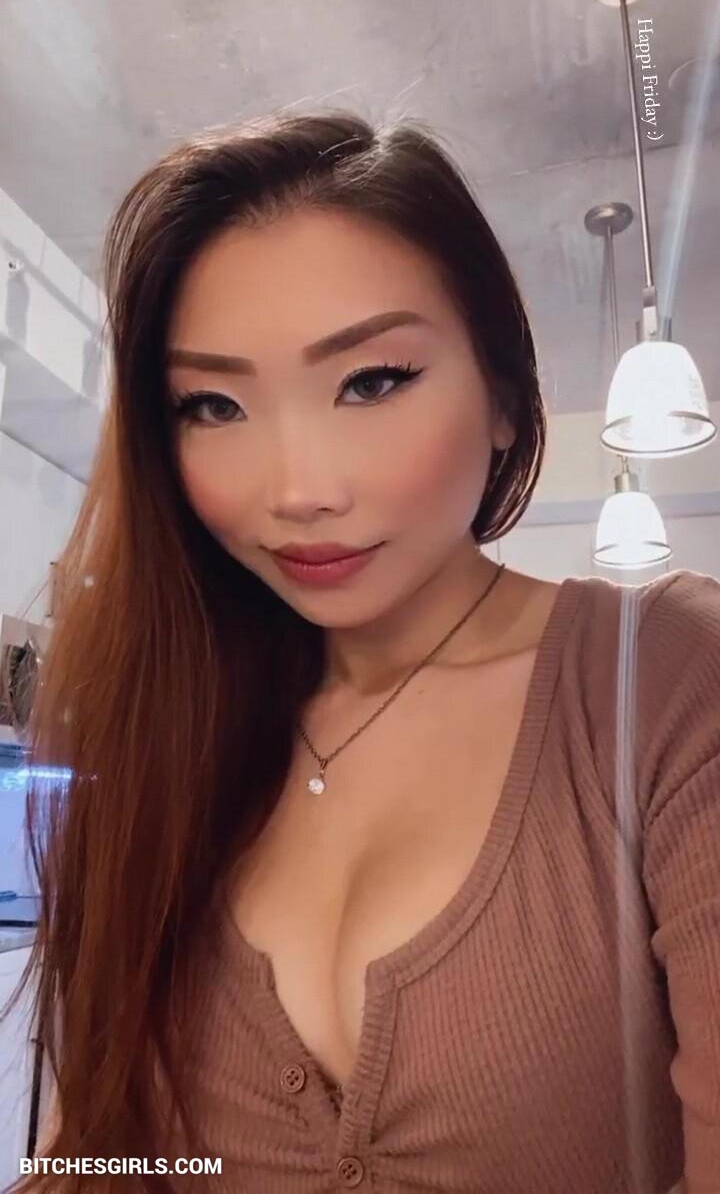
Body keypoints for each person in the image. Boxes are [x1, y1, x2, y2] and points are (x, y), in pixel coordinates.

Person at [15, 110, 719, 1194]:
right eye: (214, 404)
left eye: (373, 380)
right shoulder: (171, 720)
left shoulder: (662, 681)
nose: (298, 489)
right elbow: (101, 1149)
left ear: (504, 394)